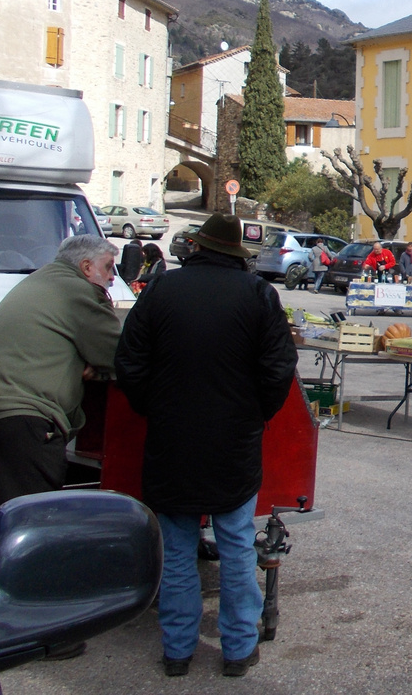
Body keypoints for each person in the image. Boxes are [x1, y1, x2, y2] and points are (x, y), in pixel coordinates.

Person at [115, 214, 298, 679]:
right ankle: (238, 648)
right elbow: (279, 370)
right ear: (237, 253)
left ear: (197, 246)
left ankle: (177, 650)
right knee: (236, 545)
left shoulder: (161, 289)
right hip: (233, 440)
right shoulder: (258, 295)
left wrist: (155, 407)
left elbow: (129, 363)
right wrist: (255, 414)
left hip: (171, 437)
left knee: (177, 550)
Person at [0, 235, 122, 659]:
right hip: (21, 420)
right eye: (108, 270)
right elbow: (121, 352)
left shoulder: (38, 282)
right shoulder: (79, 293)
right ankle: (51, 634)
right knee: (37, 528)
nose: (111, 279)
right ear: (86, 268)